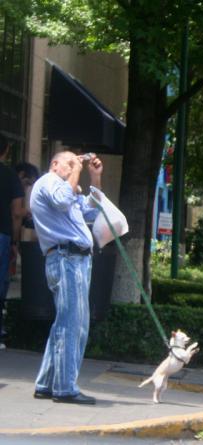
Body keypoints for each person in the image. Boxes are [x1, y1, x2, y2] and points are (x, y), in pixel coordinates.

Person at [30, 150, 103, 404]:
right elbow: (62, 201)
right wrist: (75, 173)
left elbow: (92, 212)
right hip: (66, 259)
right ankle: (64, 387)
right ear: (54, 164)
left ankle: (47, 383)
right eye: (70, 163)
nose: (75, 167)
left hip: (75, 260)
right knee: (74, 324)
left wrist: (95, 179)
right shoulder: (48, 182)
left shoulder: (66, 188)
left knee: (65, 323)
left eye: (77, 162)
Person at [0, 134, 25, 350]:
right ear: (6, 150)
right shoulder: (10, 176)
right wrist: (15, 242)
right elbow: (17, 213)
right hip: (2, 235)